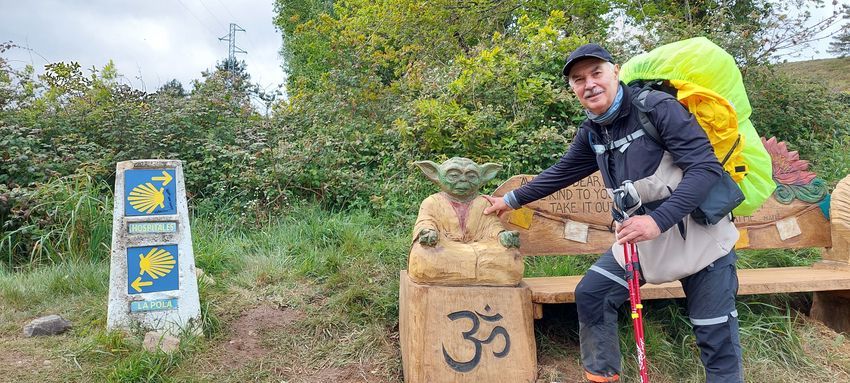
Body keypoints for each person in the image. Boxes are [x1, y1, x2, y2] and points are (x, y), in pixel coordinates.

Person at [483, 43, 743, 383]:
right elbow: (563, 171)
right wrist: (511, 199)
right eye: (579, 79)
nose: (589, 84)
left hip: (699, 237)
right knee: (592, 293)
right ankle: (602, 376)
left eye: (596, 73)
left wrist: (656, 220)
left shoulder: (658, 109)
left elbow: (705, 169)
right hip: (640, 240)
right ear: (573, 89)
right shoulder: (593, 131)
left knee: (715, 335)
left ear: (615, 71)